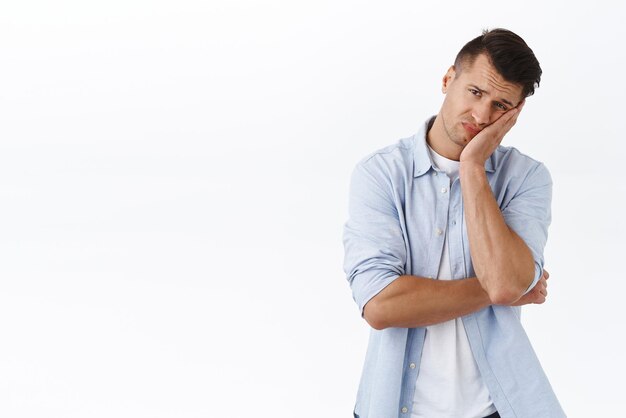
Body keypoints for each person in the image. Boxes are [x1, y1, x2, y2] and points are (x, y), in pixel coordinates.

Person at [342, 28, 566, 418]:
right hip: (393, 405)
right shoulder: (380, 174)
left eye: (500, 105)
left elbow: (507, 283)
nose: (481, 116)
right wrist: (504, 289)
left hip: (498, 406)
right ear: (448, 79)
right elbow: (380, 306)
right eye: (475, 93)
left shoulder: (526, 178)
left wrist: (473, 167)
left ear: (515, 114)